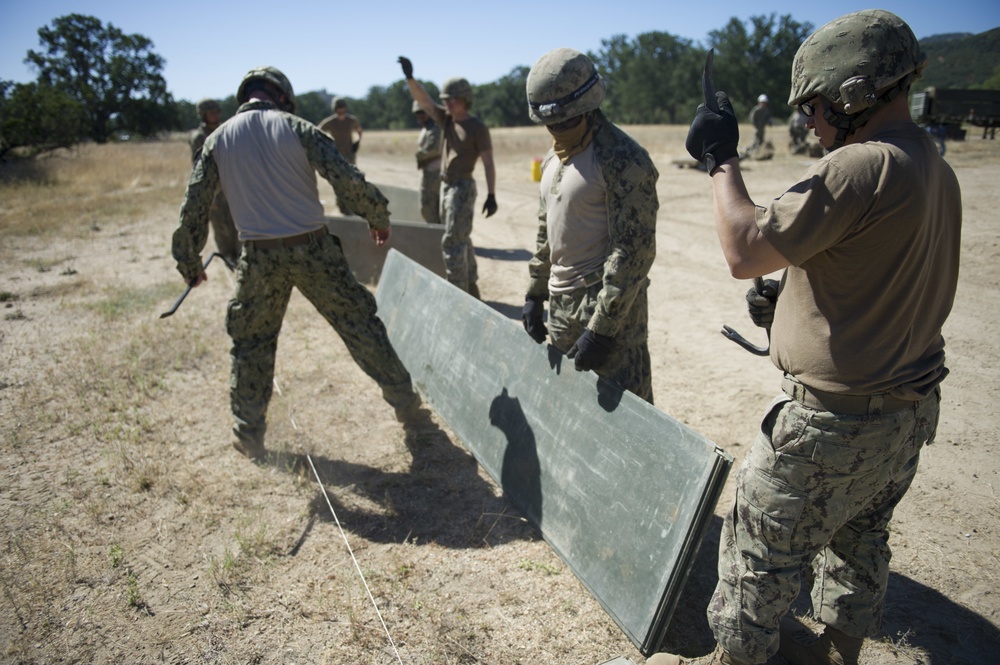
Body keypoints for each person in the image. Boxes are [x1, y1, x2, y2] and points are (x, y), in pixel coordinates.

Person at [654, 10, 962, 665]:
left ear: (852, 96)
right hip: (905, 416)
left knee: (752, 562)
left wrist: (719, 158)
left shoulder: (860, 166)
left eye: (816, 108)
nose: (811, 125)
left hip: (831, 426)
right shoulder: (934, 167)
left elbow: (742, 247)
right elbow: (877, 269)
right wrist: (796, 294)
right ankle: (840, 654)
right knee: (860, 541)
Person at [172, 66, 426, 461]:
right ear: (283, 97)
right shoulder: (299, 128)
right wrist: (376, 216)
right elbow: (346, 177)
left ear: (245, 97)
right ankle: (408, 408)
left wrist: (189, 260)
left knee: (251, 343)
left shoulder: (215, 141)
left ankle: (249, 434)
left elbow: (194, 206)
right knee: (360, 328)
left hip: (257, 256)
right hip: (313, 249)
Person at [518, 48, 658, 403]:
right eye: (551, 124)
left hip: (609, 316)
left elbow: (634, 252)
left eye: (565, 122)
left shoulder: (623, 159)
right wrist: (536, 292)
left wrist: (602, 330)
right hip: (562, 310)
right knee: (570, 416)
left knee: (625, 425)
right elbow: (545, 230)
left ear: (588, 106)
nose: (558, 130)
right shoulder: (554, 159)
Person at [398, 56, 497, 297]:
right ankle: (471, 287)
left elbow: (488, 162)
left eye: (452, 99)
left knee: (452, 242)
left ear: (465, 99)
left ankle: (458, 297)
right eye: (446, 99)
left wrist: (492, 195)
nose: (448, 103)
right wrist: (410, 79)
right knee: (460, 236)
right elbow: (425, 101)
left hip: (462, 187)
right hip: (446, 186)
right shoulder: (446, 120)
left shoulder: (477, 128)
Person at [189, 98, 241, 267]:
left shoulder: (224, 131)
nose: (216, 115)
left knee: (239, 228)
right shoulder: (199, 137)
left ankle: (240, 262)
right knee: (222, 231)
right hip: (215, 192)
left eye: (217, 111)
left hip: (232, 189)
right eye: (212, 112)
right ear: (204, 115)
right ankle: (229, 261)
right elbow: (199, 167)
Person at [319, 97, 364, 215]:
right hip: (335, 155)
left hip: (349, 154)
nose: (341, 111)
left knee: (351, 179)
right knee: (338, 180)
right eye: (338, 109)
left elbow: (359, 130)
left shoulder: (351, 120)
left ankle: (351, 205)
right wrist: (325, 146)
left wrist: (358, 142)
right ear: (335, 109)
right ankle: (341, 205)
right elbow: (318, 132)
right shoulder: (330, 122)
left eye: (342, 108)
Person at [412, 99, 442, 225]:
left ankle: (437, 236)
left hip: (434, 172)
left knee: (428, 207)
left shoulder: (435, 127)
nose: (420, 116)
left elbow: (434, 149)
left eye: (423, 112)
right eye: (418, 113)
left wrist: (420, 156)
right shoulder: (428, 127)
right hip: (431, 171)